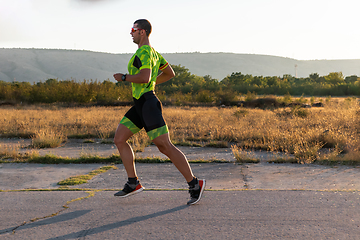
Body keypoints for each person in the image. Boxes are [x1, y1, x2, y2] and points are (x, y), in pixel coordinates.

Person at [113, 19, 205, 205]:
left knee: (165, 146)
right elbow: (169, 73)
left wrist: (124, 77)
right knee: (119, 139)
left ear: (143, 32)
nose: (131, 32)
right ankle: (133, 183)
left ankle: (195, 184)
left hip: (148, 104)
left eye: (134, 29)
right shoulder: (153, 53)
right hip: (140, 104)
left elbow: (145, 76)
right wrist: (151, 82)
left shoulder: (145, 52)